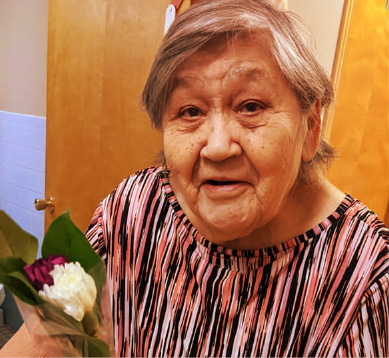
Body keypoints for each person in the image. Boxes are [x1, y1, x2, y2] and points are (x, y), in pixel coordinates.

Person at [85, 0, 389, 357]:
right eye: (190, 111)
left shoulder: (365, 278)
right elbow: (52, 329)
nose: (216, 147)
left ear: (310, 126)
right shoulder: (132, 211)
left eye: (250, 106)